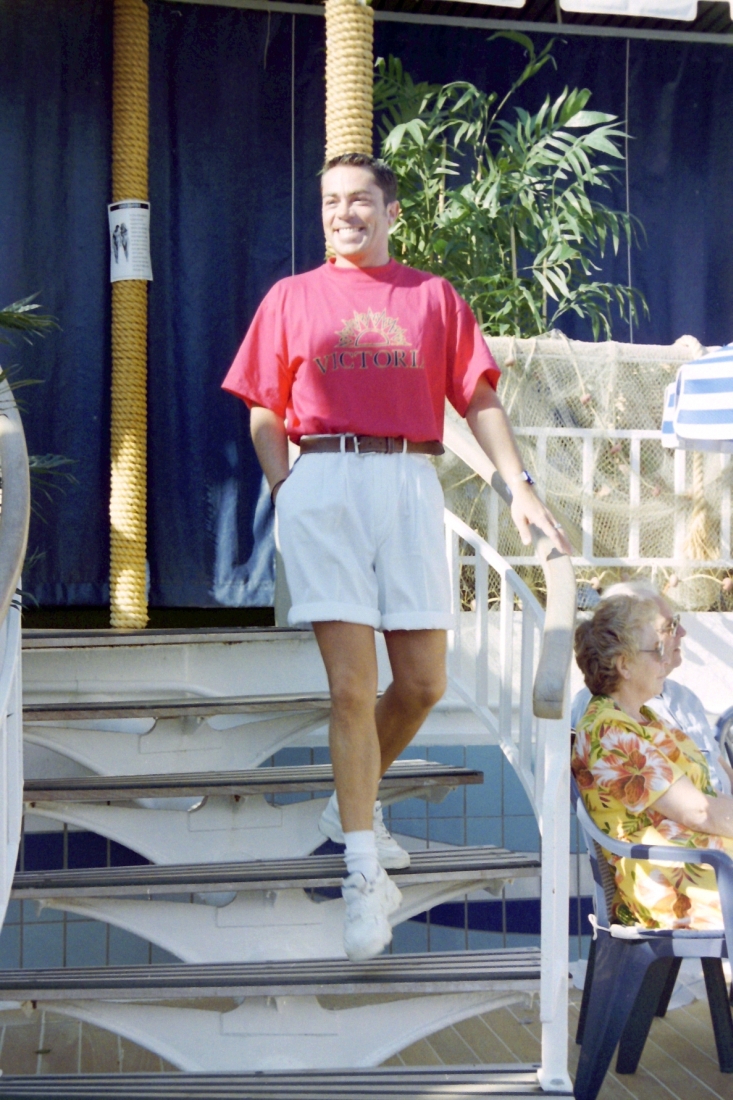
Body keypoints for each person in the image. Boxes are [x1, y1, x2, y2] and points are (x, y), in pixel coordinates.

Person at [222, 153, 571, 961]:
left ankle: (351, 799)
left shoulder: (431, 297)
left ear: (390, 213)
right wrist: (285, 487)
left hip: (410, 481)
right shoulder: (290, 297)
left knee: (421, 683)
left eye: (359, 200)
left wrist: (517, 486)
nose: (342, 213)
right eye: (329, 201)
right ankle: (362, 871)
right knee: (351, 687)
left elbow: (475, 395)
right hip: (324, 482)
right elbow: (264, 407)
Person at [572, 595, 733, 930]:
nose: (666, 660)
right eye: (656, 650)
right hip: (673, 880)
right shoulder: (609, 731)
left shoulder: (645, 720)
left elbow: (707, 800)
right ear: (624, 665)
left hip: (705, 862)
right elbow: (698, 812)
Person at [571, 580, 730, 793]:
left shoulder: (682, 696)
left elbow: (716, 762)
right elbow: (693, 807)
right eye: (669, 626)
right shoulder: (605, 715)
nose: (682, 632)